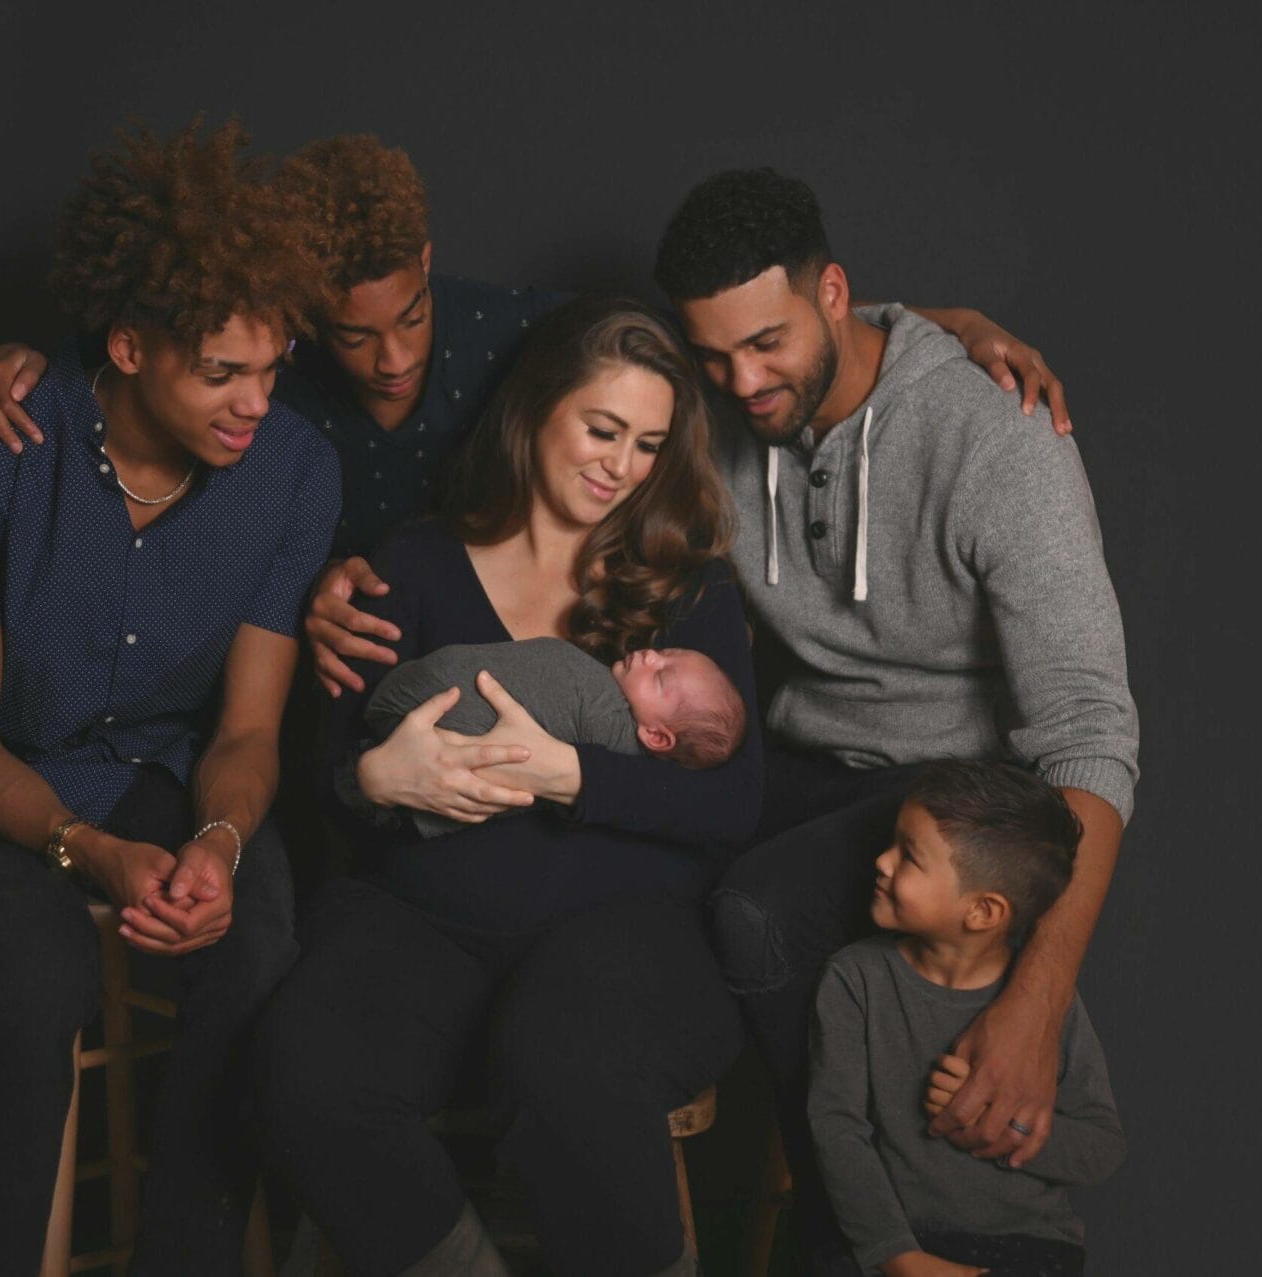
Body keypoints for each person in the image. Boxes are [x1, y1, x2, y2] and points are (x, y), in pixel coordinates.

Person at [0, 135, 1072, 691]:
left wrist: (931, 321)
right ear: (296, 320)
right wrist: (38, 356)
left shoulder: (509, 332)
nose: (390, 358)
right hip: (327, 662)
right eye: (350, 335)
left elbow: (719, 343)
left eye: (411, 317)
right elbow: (168, 353)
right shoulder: (267, 388)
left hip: (523, 654)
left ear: (433, 268)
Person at [648, 168, 1139, 1277]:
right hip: (792, 754)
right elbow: (546, 352)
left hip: (943, 781)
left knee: (758, 913)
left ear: (834, 294)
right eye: (715, 354)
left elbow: (1090, 730)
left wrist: (1036, 993)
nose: (742, 379)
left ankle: (864, 1247)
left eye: (766, 343)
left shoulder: (997, 434)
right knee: (609, 864)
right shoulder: (718, 395)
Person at [0, 119, 339, 1276]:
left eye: (272, 365)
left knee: (260, 944)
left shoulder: (294, 471)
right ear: (127, 348)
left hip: (174, 770)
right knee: (40, 977)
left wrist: (222, 844)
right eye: (220, 372)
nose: (255, 401)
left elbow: (244, 728)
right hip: (13, 781)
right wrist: (84, 849)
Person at [249, 296, 754, 1277]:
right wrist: (372, 773)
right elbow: (326, 769)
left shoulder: (688, 589)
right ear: (537, 413)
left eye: (650, 443)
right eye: (602, 429)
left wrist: (571, 773)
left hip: (621, 927)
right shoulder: (413, 563)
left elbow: (731, 804)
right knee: (302, 1070)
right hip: (422, 918)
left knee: (566, 1060)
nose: (621, 465)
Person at [809, 761, 1125, 1277]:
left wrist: (1008, 1126)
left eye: (909, 856)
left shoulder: (1048, 1008)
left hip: (1027, 1249)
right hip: (896, 1242)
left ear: (982, 912)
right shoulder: (854, 980)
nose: (882, 862)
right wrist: (899, 1257)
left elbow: (1102, 1148)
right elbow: (837, 1129)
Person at [366, 638, 745, 835]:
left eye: (660, 677)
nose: (649, 656)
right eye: (665, 652)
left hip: (414, 726)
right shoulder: (606, 696)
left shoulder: (616, 733)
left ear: (656, 738)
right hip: (405, 714)